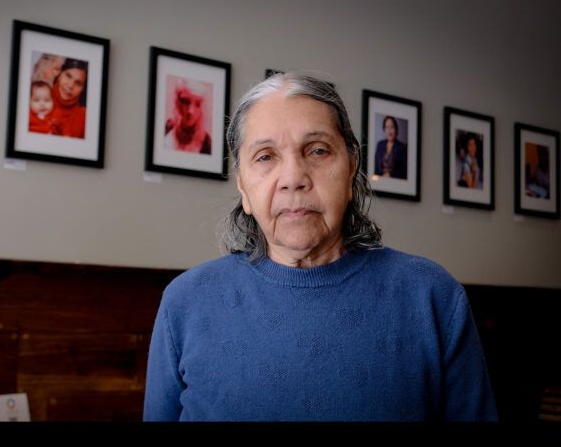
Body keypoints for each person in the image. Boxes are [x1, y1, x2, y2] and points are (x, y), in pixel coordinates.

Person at [144, 73, 497, 421]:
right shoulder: (185, 302)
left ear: (351, 168)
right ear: (242, 186)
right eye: (265, 157)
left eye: (317, 150)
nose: (294, 178)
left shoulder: (432, 295)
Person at [43, 58, 87, 139]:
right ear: (60, 74)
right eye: (68, 76)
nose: (70, 86)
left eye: (78, 83)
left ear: (83, 89)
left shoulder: (85, 117)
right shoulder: (36, 98)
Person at [164, 78, 212, 154]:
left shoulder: (207, 144)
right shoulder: (166, 129)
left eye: (197, 104)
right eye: (185, 102)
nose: (190, 111)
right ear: (177, 102)